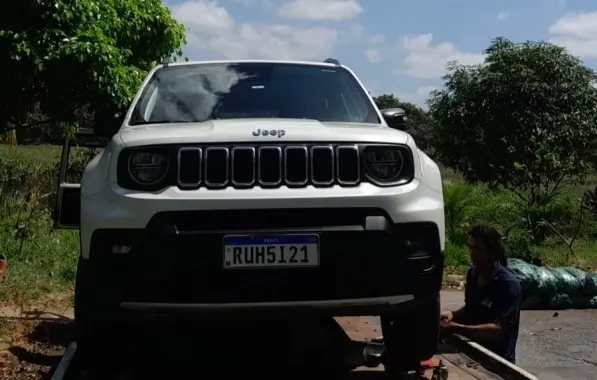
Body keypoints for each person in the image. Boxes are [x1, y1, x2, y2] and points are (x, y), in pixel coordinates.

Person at [440, 223, 523, 364]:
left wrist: (458, 328)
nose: (472, 254)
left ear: (492, 251)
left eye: (478, 249)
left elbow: (498, 330)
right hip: (472, 352)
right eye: (470, 248)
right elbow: (471, 309)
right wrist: (453, 315)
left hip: (498, 362)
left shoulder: (508, 285)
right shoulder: (473, 274)